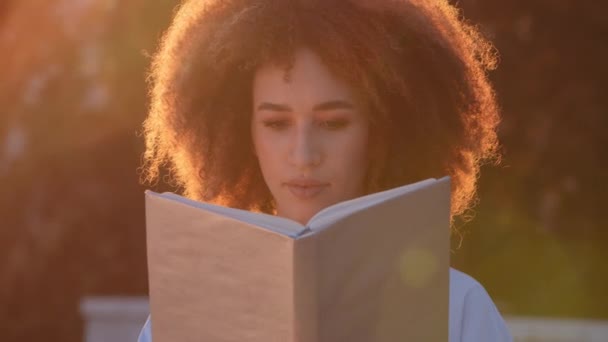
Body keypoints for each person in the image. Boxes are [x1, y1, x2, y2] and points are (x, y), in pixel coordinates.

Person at [138, 0, 513, 340]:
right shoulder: (185, 318)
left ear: (382, 131)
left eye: (333, 123)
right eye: (276, 124)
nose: (303, 155)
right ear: (242, 132)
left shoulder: (458, 308)